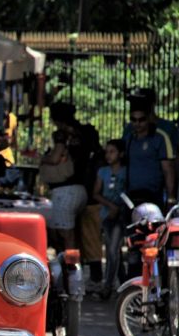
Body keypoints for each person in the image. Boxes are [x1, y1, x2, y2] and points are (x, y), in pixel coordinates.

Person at [41, 102, 96, 253]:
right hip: (82, 189)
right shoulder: (83, 133)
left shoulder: (62, 135)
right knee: (73, 232)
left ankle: (71, 269)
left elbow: (55, 158)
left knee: (66, 235)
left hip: (65, 191)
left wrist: (40, 158)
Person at [123, 98, 175, 209]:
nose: (137, 123)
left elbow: (168, 169)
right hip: (131, 196)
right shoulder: (128, 139)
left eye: (141, 120)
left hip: (153, 196)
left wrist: (171, 197)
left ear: (149, 119)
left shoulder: (160, 137)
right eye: (133, 119)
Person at [93, 139, 128, 299]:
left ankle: (107, 287)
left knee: (113, 250)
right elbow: (96, 193)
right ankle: (124, 283)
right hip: (107, 215)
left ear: (120, 154)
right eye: (107, 152)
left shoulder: (126, 171)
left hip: (121, 215)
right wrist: (110, 206)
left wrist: (118, 207)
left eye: (112, 151)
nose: (109, 155)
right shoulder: (103, 171)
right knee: (113, 251)